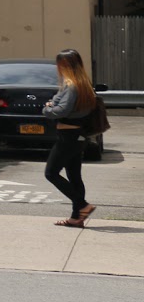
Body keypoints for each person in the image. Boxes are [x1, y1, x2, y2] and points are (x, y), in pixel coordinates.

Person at [43, 49, 98, 228]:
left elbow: (61, 110)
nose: (57, 68)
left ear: (65, 66)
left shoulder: (71, 85)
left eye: (59, 65)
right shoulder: (84, 84)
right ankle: (76, 218)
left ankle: (83, 206)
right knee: (74, 176)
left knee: (51, 173)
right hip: (79, 136)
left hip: (68, 136)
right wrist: (54, 103)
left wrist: (48, 109)